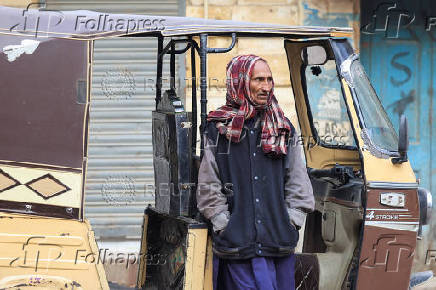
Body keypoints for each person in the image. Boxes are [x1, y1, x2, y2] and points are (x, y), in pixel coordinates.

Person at [196, 54, 314, 290]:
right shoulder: (217, 129)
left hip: (278, 242)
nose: (266, 87)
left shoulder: (283, 127)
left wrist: (292, 221)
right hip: (238, 245)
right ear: (239, 82)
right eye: (258, 79)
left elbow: (298, 181)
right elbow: (209, 184)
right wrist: (224, 224)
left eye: (269, 80)